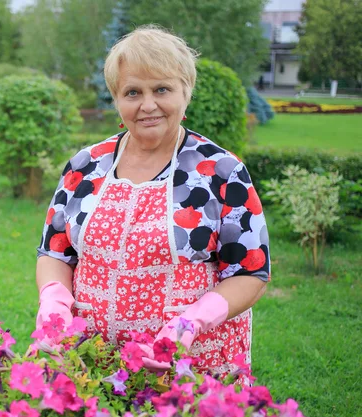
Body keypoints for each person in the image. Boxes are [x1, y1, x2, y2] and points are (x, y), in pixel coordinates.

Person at [35, 25, 270, 381]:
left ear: (186, 92)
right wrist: (54, 303)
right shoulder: (86, 165)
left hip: (190, 363)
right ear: (116, 98)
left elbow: (250, 272)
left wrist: (191, 323)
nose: (147, 105)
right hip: (91, 362)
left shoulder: (220, 171)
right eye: (132, 92)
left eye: (162, 89)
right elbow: (55, 251)